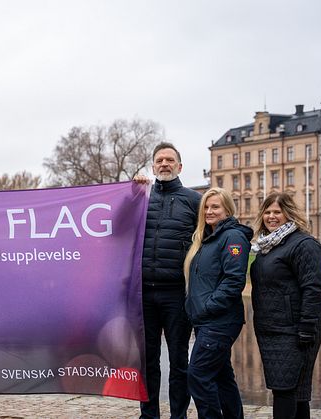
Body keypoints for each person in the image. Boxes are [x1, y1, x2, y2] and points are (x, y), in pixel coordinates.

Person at [134, 142, 200, 419]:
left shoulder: (194, 201)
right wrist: (130, 192)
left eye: (169, 160)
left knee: (178, 360)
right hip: (143, 295)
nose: (164, 164)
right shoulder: (140, 199)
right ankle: (149, 415)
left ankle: (179, 415)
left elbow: (215, 234)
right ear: (152, 166)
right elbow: (111, 227)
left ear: (180, 166)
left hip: (177, 294)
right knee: (147, 361)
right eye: (159, 160)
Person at [249, 192, 321, 419]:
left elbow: (314, 289)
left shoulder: (304, 244)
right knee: (296, 391)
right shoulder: (268, 246)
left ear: (289, 214)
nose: (271, 216)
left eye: (277, 212)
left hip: (294, 330)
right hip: (271, 329)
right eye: (267, 212)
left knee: (284, 390)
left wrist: (306, 328)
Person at [183, 187, 252, 419]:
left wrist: (206, 307)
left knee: (198, 375)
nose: (209, 211)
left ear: (227, 210)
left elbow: (234, 281)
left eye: (215, 206)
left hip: (219, 320)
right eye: (206, 206)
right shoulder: (207, 238)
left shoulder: (233, 237)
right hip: (206, 320)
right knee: (222, 377)